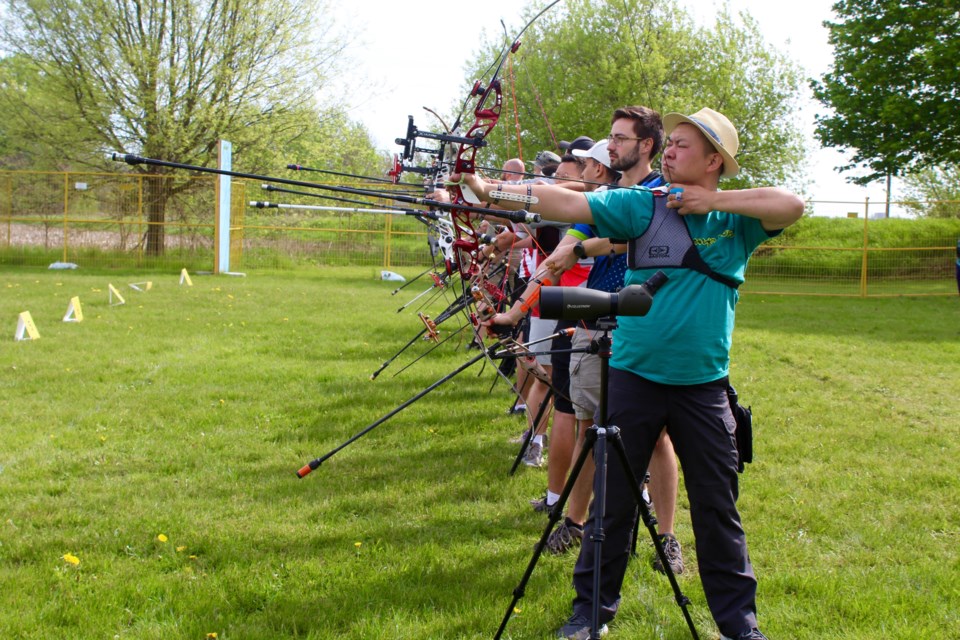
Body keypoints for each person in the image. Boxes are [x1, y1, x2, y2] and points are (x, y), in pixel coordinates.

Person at [453, 107, 804, 640]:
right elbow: (570, 200)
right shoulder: (645, 204)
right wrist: (487, 190)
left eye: (684, 145)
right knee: (612, 505)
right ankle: (590, 614)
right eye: (672, 142)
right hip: (635, 377)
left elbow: (793, 204)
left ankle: (739, 627)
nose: (671, 150)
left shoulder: (738, 220)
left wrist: (713, 201)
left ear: (714, 161)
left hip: (703, 387)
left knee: (717, 510)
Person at [540, 108, 685, 579]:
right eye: (611, 137)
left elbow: (615, 234)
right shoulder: (610, 194)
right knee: (587, 427)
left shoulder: (655, 195)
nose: (611, 145)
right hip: (597, 321)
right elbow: (570, 212)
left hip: (642, 324)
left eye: (620, 138)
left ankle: (667, 535)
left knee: (659, 438)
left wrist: (580, 243)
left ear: (646, 145)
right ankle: (575, 522)